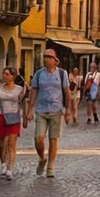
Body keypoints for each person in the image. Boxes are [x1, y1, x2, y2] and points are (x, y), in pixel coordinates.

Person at [29, 48, 71, 178]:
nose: (45, 59)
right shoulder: (38, 74)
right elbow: (34, 91)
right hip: (41, 110)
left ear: (54, 60)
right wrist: (29, 109)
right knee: (38, 138)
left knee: (53, 139)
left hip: (56, 110)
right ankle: (42, 158)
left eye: (48, 57)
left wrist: (68, 110)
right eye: (44, 57)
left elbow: (67, 92)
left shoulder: (62, 73)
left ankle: (50, 166)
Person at [0, 67, 26, 179]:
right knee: (2, 144)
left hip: (14, 117)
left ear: (13, 76)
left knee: (11, 143)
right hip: (0, 116)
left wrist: (24, 116)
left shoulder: (19, 89)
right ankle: (3, 164)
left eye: (7, 74)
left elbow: (22, 103)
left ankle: (9, 168)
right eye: (4, 73)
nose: (4, 76)